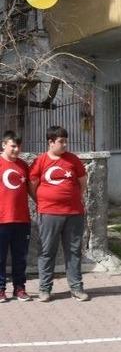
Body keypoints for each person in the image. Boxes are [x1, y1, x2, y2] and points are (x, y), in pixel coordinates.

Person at [29, 125, 88, 302]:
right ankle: (45, 289)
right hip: (49, 214)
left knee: (73, 251)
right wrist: (42, 201)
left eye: (66, 141)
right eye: (61, 141)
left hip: (73, 213)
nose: (65, 145)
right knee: (47, 251)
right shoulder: (41, 161)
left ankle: (76, 288)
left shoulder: (73, 160)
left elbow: (82, 182)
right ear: (51, 142)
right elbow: (32, 185)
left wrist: (74, 197)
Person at [0, 131, 32, 302]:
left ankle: (19, 288)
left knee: (20, 257)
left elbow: (31, 189)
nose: (16, 149)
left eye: (19, 146)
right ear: (4, 144)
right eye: (13, 145)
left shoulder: (23, 165)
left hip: (22, 220)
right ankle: (0, 289)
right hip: (1, 220)